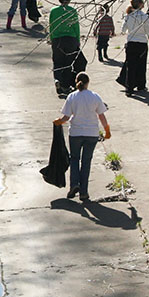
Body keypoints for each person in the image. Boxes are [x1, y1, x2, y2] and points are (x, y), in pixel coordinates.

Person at [53, 72, 111, 201]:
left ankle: (74, 185)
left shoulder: (72, 97)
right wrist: (107, 130)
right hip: (92, 134)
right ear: (88, 83)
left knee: (74, 159)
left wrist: (58, 121)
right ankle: (84, 192)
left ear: (76, 81)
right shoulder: (95, 97)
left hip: (76, 133)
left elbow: (66, 117)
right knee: (86, 162)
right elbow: (101, 115)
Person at [48, 0, 84, 96]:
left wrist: (52, 39)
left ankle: (57, 79)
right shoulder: (72, 11)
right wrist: (77, 40)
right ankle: (66, 85)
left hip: (57, 39)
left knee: (58, 62)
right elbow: (75, 27)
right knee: (68, 63)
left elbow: (52, 26)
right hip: (70, 39)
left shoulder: (54, 11)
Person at [119, 0, 149, 96]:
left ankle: (129, 88)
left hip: (131, 42)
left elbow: (122, 30)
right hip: (142, 43)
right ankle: (141, 85)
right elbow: (148, 31)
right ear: (140, 5)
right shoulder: (144, 16)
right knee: (141, 65)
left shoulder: (128, 16)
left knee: (130, 66)